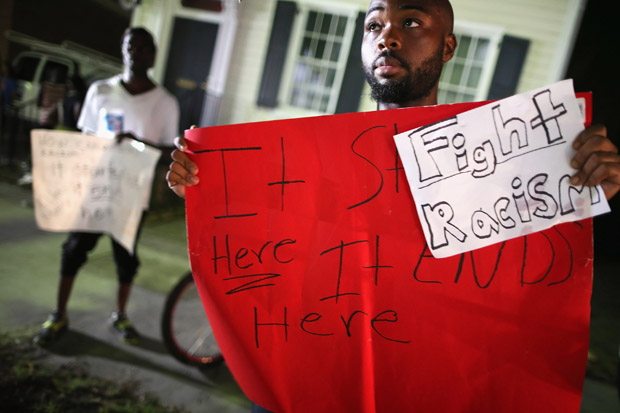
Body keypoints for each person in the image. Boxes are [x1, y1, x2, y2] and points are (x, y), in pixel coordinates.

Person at [165, 0, 619, 410]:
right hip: (319, 378)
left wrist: (586, 185)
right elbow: (275, 256)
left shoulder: (493, 161)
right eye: (373, 25)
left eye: (412, 21)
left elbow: (524, 269)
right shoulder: (309, 159)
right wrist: (206, 194)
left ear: (447, 47)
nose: (387, 36)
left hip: (439, 384)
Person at [34, 27, 180, 346]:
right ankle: (58, 314)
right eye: (130, 46)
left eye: (143, 48)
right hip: (95, 190)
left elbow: (169, 152)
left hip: (131, 196)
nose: (135, 53)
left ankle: (121, 314)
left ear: (153, 54)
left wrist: (137, 144)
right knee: (73, 251)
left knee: (125, 260)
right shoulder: (101, 91)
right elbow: (85, 139)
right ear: (122, 49)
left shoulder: (165, 103)